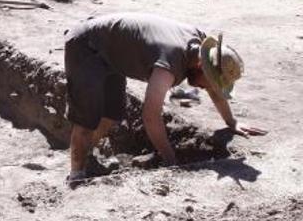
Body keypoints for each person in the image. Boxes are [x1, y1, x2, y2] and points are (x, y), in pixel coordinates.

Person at [63, 13, 266, 186]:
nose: (207, 88)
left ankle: (87, 157)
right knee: (86, 121)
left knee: (111, 114)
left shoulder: (201, 48)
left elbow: (213, 86)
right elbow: (150, 116)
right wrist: (172, 161)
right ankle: (76, 178)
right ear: (201, 66)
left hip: (111, 51)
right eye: (210, 82)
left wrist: (231, 122)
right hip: (86, 46)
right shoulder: (169, 63)